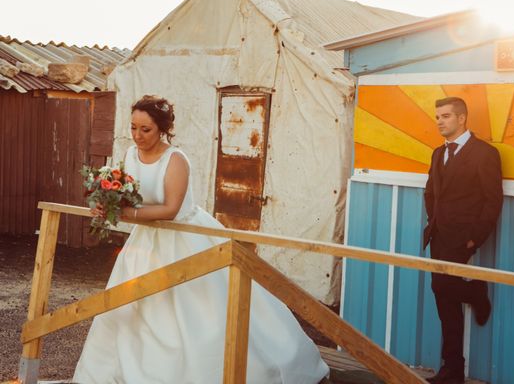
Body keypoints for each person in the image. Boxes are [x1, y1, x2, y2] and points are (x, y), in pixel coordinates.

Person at [73, 95, 329, 384]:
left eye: (145, 129)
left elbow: (170, 209)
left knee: (200, 311)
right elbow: (127, 194)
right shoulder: (130, 155)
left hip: (184, 239)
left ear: (162, 129)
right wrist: (107, 203)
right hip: (146, 243)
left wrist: (126, 212)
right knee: (134, 305)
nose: (137, 135)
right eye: (133, 127)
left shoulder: (175, 159)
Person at [422, 97, 503, 384]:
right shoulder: (437, 153)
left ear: (462, 118)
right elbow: (431, 192)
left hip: (463, 239)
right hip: (439, 235)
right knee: (444, 300)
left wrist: (474, 239)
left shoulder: (484, 154)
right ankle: (453, 369)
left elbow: (492, 201)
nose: (439, 121)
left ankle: (475, 292)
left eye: (445, 116)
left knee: (441, 286)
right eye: (437, 117)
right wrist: (434, 220)